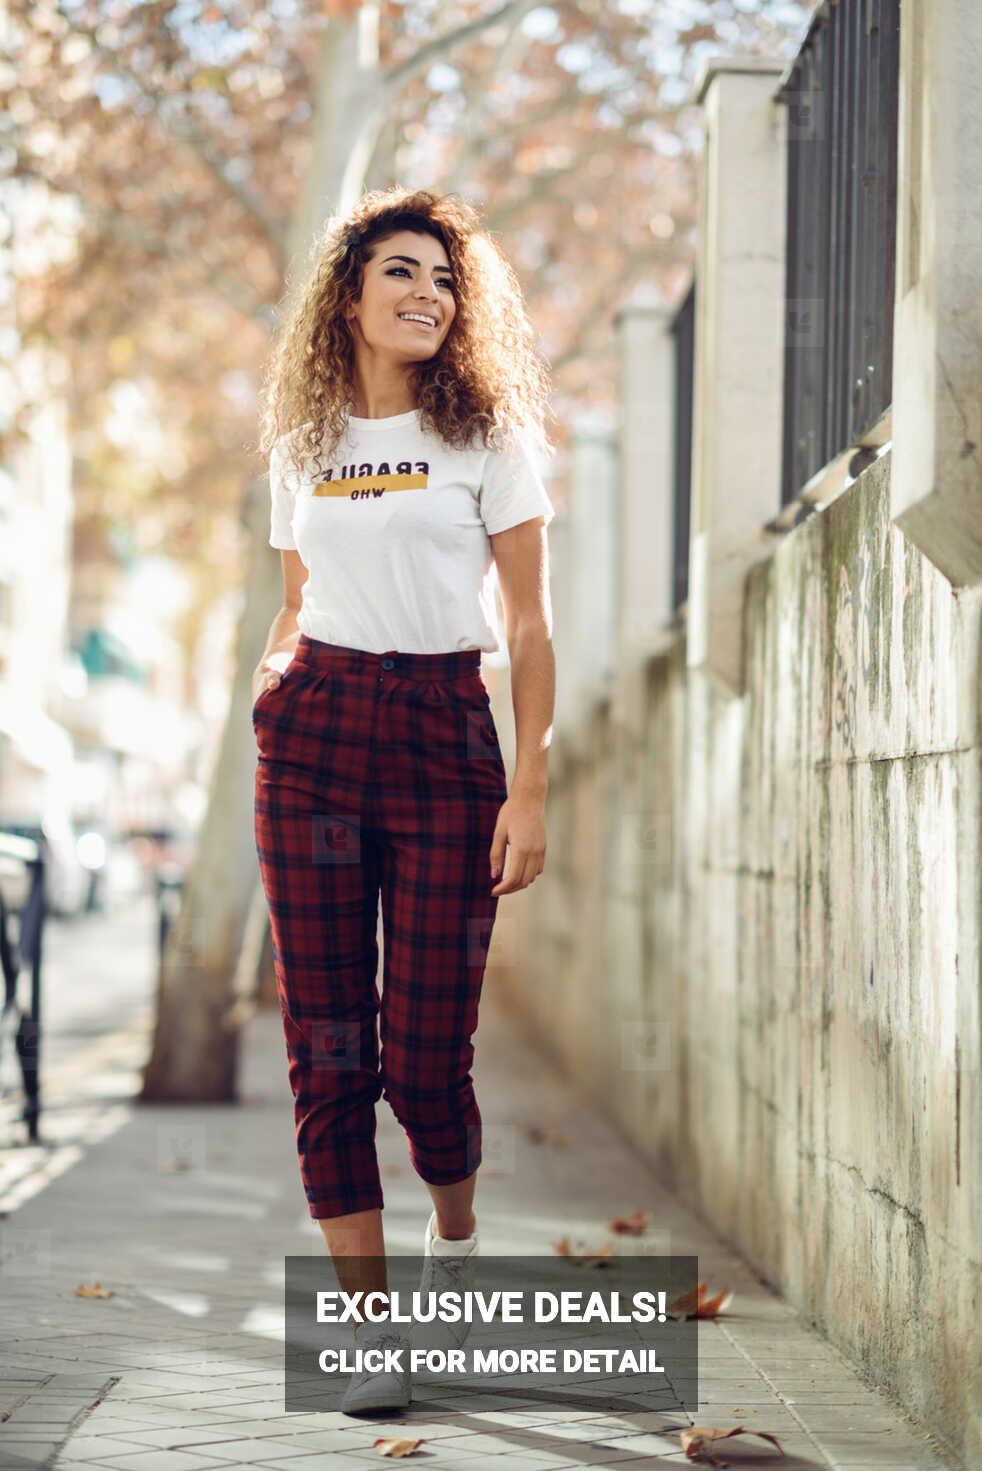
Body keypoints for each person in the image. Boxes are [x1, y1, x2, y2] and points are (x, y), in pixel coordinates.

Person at [253, 186, 556, 1414]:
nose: (428, 294)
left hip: (444, 735)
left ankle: (457, 1234)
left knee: (426, 1060)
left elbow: (529, 624)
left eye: (444, 279)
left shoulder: (486, 439)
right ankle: (373, 1336)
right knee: (329, 1050)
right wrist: (272, 678)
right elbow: (298, 592)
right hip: (314, 733)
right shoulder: (303, 445)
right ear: (350, 296)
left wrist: (529, 779)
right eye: (402, 274)